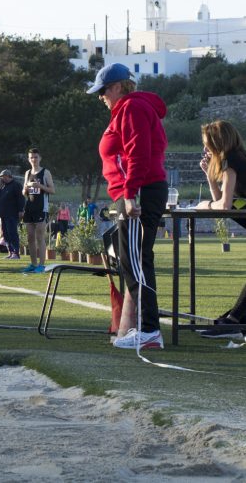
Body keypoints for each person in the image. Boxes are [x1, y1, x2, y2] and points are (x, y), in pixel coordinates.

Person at [89, 63, 168, 350]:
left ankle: (148, 330)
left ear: (119, 86)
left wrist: (131, 194)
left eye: (104, 90)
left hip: (138, 191)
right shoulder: (127, 109)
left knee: (134, 260)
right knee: (134, 259)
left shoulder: (132, 108)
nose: (101, 97)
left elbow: (138, 152)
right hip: (135, 190)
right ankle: (147, 328)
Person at [195, 120, 246, 338]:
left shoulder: (231, 159)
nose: (206, 150)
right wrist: (209, 177)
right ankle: (234, 320)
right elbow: (223, 201)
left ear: (218, 143)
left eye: (208, 145)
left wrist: (203, 205)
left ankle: (233, 322)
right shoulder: (235, 158)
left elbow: (223, 206)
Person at [21, 148, 55, 273]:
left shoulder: (45, 172)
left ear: (40, 158)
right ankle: (33, 264)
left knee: (39, 237)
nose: (33, 160)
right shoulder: (27, 173)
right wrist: (25, 190)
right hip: (29, 208)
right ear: (28, 159)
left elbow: (52, 190)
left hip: (41, 208)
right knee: (30, 237)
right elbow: (24, 191)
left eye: (35, 157)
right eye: (31, 158)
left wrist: (39, 186)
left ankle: (41, 265)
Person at [0, 169, 25, 261]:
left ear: (8, 176)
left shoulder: (16, 185)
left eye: (2, 177)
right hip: (3, 214)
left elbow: (21, 198)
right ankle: (10, 252)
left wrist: (21, 210)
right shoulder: (3, 186)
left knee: (12, 233)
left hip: (12, 214)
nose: (1, 178)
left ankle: (16, 252)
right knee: (6, 234)